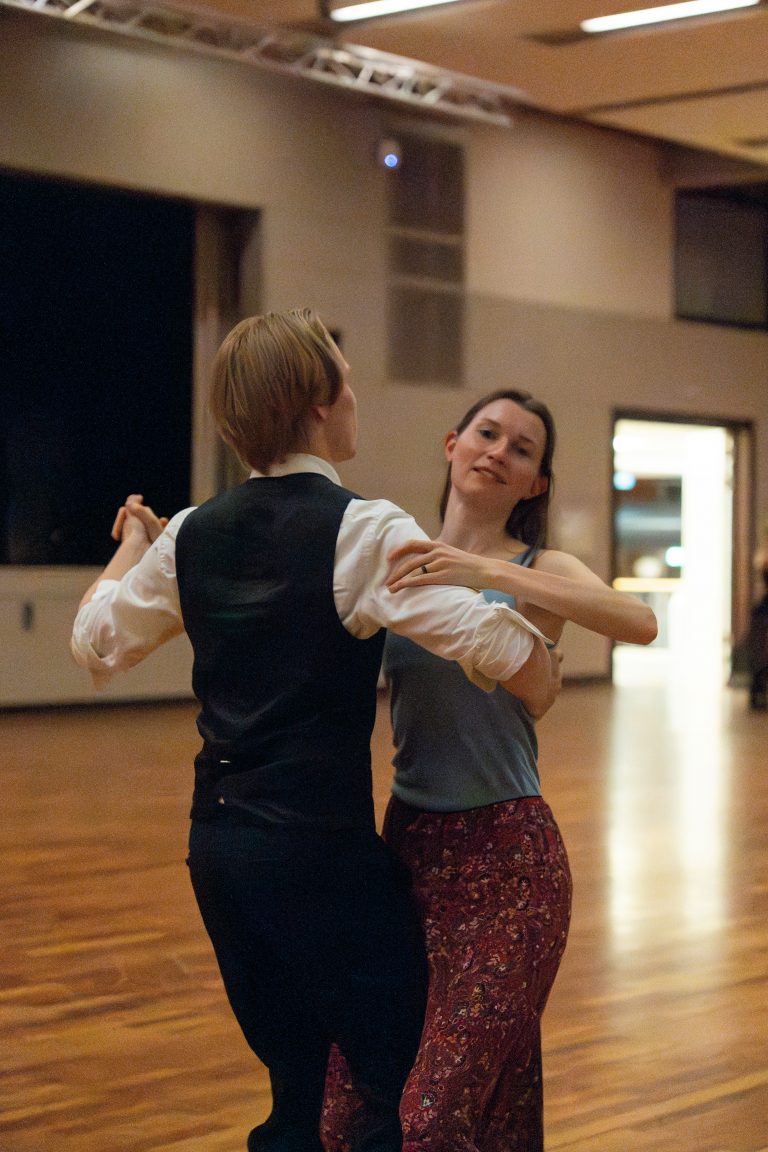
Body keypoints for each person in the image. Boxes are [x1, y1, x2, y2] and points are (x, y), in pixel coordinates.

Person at [70, 315, 561, 1152]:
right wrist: (537, 656)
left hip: (219, 855)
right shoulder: (363, 528)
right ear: (321, 404)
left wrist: (134, 544)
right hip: (319, 857)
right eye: (348, 383)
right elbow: (503, 646)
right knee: (389, 1086)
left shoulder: (189, 533)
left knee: (299, 1094)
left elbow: (95, 642)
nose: (356, 397)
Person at [321, 388, 657, 1152]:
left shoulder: (542, 565)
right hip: (407, 850)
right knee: (356, 1109)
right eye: (488, 433)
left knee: (437, 1121)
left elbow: (639, 622)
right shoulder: (397, 553)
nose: (499, 452)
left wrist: (484, 570)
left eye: (522, 449)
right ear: (453, 443)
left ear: (536, 483)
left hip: (510, 861)